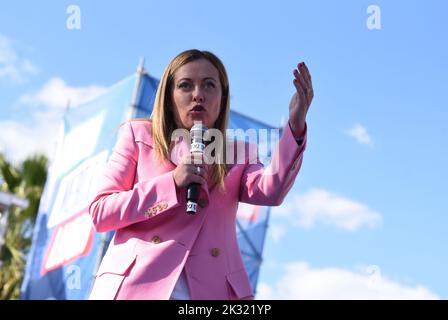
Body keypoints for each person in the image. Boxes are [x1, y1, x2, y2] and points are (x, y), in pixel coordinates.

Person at [88, 49, 314, 300]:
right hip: (137, 287)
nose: (198, 95)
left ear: (222, 97)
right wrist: (172, 183)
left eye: (209, 85)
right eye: (186, 85)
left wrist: (295, 126)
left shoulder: (239, 151)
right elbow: (101, 212)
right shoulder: (139, 135)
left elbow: (271, 190)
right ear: (168, 96)